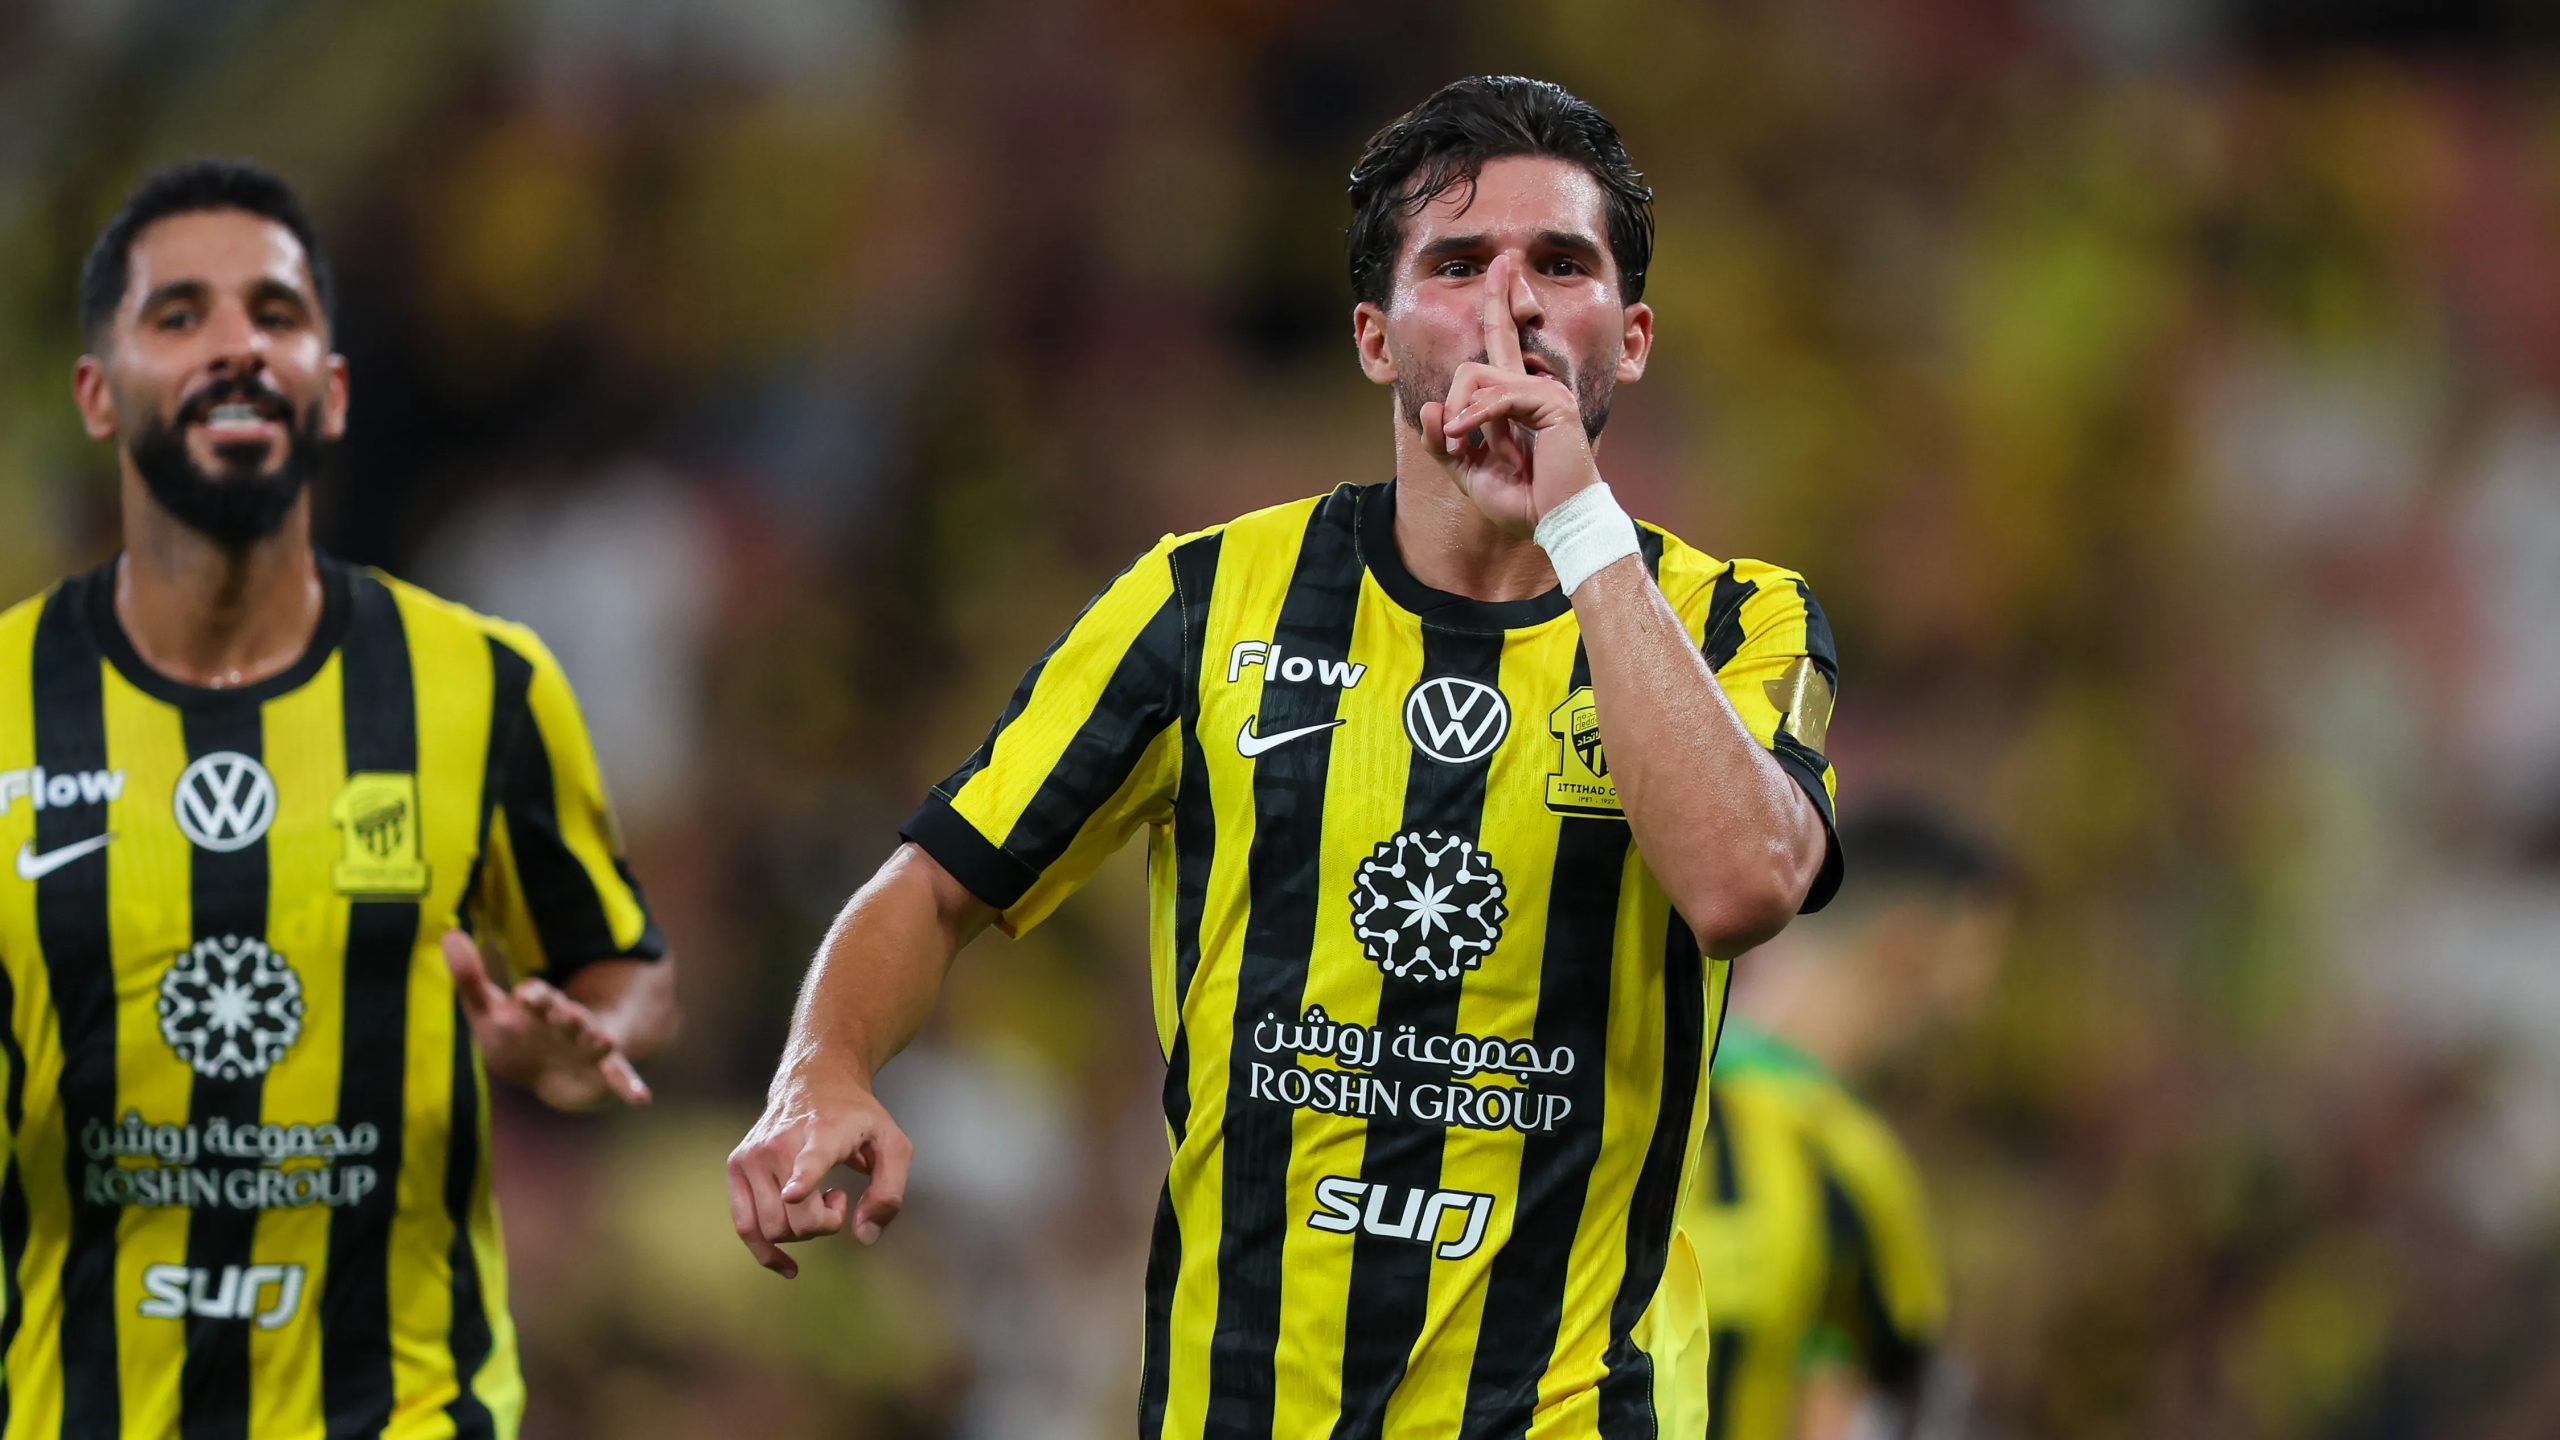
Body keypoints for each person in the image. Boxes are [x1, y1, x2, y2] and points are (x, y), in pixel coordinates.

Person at [730, 75, 1842, 1437]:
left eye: (1561, 264)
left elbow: (1741, 887)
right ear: (1375, 338)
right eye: (1457, 265)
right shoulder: (1203, 603)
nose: (1513, 306)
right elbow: (937, 883)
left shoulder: (1735, 620)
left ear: (1634, 335)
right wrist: (823, 1068)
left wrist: (1579, 525)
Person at [0, 159, 676, 1438]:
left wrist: (579, 1043)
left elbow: (624, 964)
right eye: (180, 314)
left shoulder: (484, 685)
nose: (237, 346)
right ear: (96, 393)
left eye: (276, 313)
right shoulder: (4, 702)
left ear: (334, 389)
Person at [1689, 804, 2013, 1440]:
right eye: (1973, 965)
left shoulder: (1628, 1083)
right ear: (1906, 947)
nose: (1974, 1008)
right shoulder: (1849, 1167)